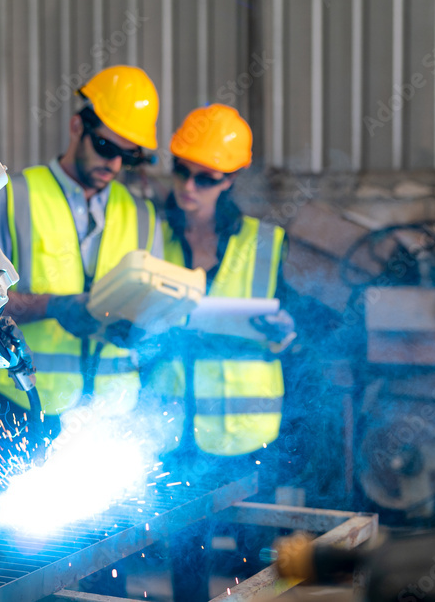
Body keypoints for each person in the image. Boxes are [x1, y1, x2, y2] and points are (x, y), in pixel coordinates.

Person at [143, 103, 297, 602]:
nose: (188, 187)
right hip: (175, 430)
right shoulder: (152, 236)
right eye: (182, 172)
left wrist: (288, 331)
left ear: (229, 180)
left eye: (204, 178)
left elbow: (302, 328)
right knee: (185, 557)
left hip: (245, 434)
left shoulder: (266, 244)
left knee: (253, 568)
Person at [0, 65, 164, 460]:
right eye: (106, 148)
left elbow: (158, 315)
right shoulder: (14, 198)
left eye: (127, 157)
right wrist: (53, 307)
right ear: (76, 128)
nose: (114, 166)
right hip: (27, 407)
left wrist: (144, 330)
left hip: (113, 417)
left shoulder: (143, 217)